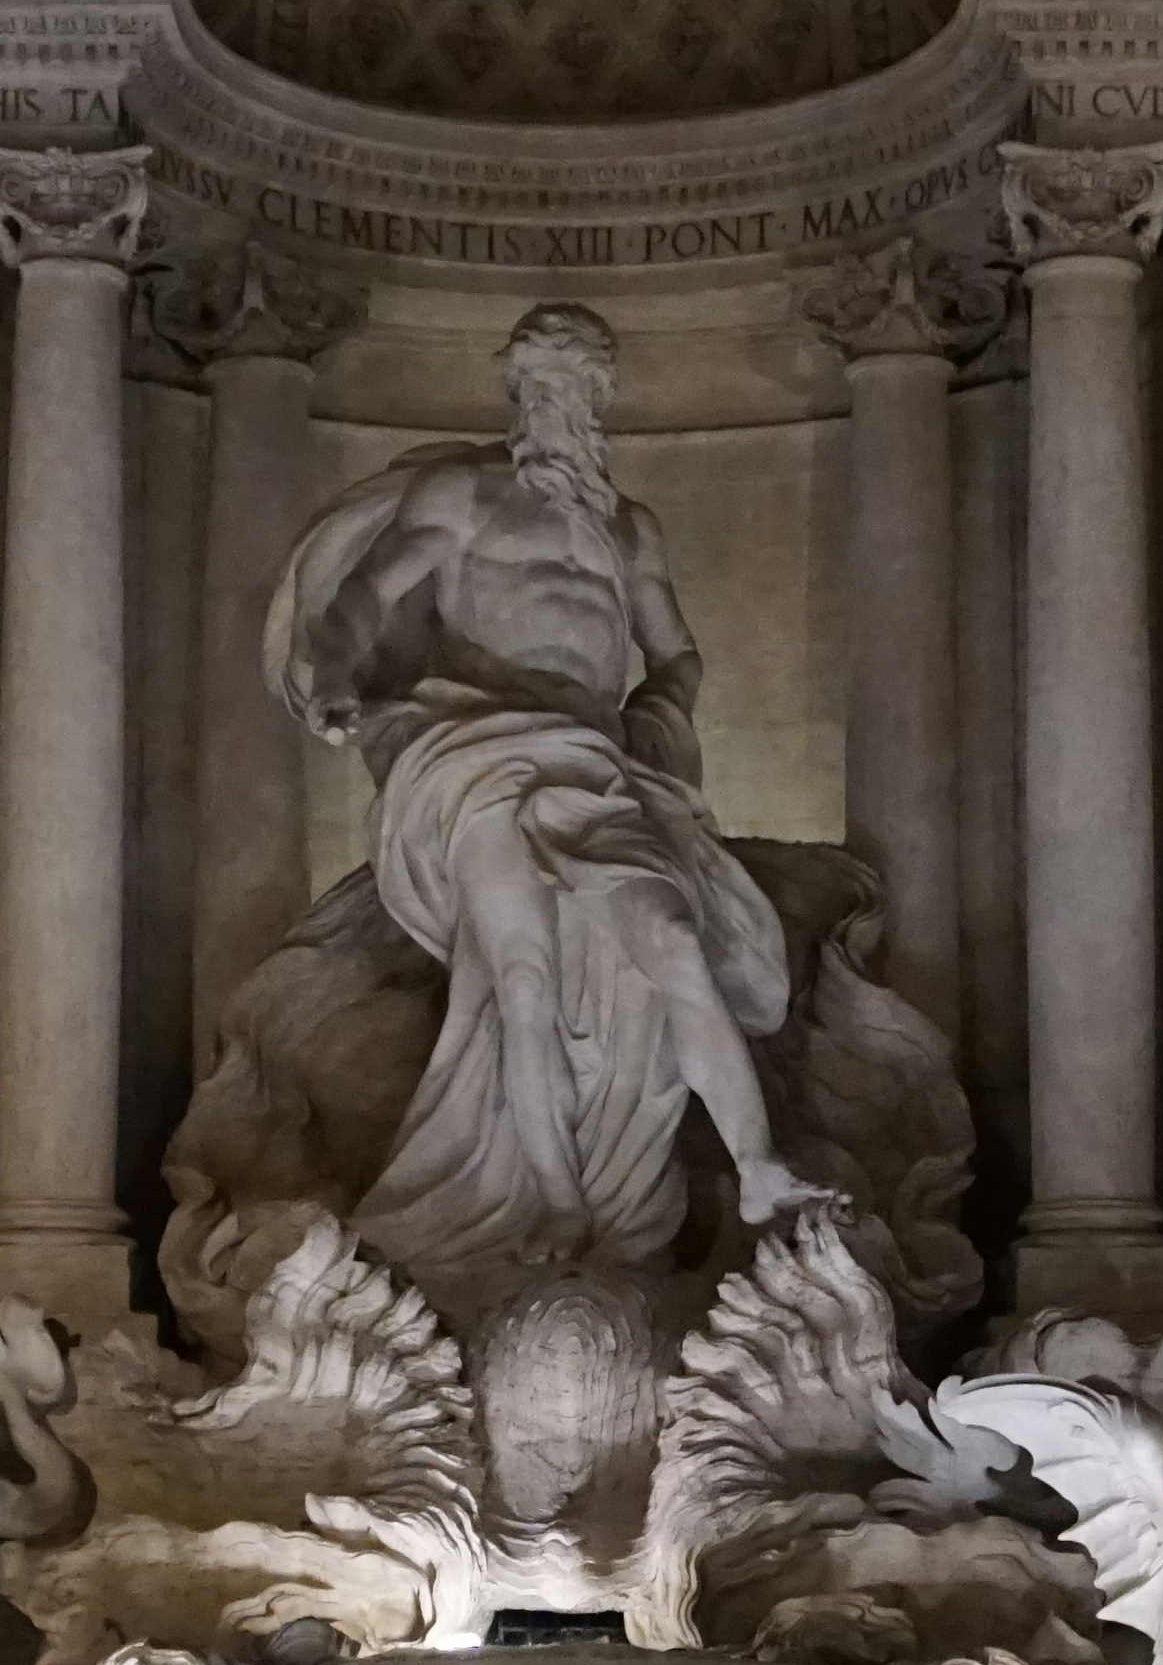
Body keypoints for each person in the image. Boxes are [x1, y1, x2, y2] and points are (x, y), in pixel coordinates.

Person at [262, 303, 834, 1298]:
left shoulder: (629, 529)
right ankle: (559, 1205)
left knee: (672, 941)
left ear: (601, 402)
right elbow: (364, 594)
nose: (556, 406)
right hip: (477, 752)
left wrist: (662, 708)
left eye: (575, 388)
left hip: (595, 762)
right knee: (519, 982)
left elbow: (678, 651)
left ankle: (756, 1171)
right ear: (517, 394)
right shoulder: (465, 495)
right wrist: (342, 670)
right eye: (539, 386)